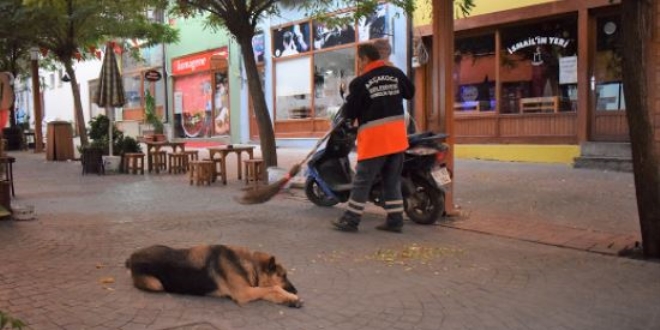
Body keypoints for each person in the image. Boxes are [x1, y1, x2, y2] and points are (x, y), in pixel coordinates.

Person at [331, 43, 415, 233]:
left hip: (375, 142)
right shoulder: (395, 73)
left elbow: (350, 112)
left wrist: (349, 114)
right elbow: (410, 93)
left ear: (365, 59)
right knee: (391, 181)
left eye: (358, 60)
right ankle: (395, 221)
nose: (358, 64)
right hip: (397, 140)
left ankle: (350, 220)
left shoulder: (360, 83)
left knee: (362, 181)